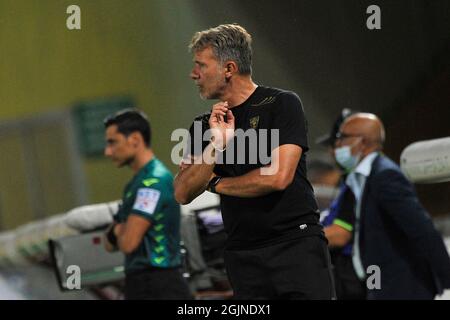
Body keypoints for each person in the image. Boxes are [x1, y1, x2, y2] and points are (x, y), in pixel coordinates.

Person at [174, 24, 335, 299]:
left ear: (229, 69)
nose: (193, 74)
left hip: (294, 246)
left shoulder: (282, 104)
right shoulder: (203, 127)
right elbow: (183, 192)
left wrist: (215, 183)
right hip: (242, 256)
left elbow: (278, 177)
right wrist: (216, 144)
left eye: (201, 65)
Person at [334, 112, 450, 299]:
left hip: (403, 288)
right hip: (380, 284)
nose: (338, 144)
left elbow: (421, 228)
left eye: (343, 137)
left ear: (362, 142)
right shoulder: (362, 178)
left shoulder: (385, 176)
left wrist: (447, 279)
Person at [102, 109, 192, 300]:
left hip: (160, 284)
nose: (107, 152)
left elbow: (128, 243)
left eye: (112, 142)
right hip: (142, 283)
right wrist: (119, 231)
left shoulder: (153, 182)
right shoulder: (134, 185)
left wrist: (118, 231)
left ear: (134, 139)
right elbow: (107, 245)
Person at [314, 109, 367, 299]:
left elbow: (340, 234)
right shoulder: (352, 182)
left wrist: (294, 240)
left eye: (336, 144)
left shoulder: (364, 181)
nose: (332, 151)